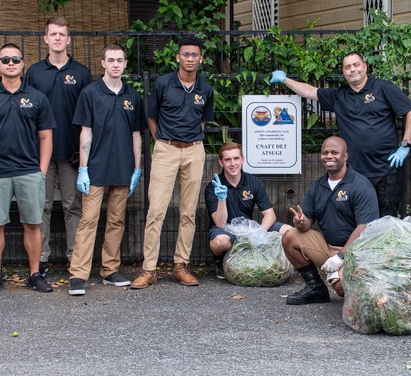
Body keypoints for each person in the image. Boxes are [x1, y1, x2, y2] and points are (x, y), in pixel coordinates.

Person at [270, 52, 411, 217]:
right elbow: (309, 92)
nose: (352, 70)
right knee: (360, 218)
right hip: (356, 173)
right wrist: (285, 79)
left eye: (356, 65)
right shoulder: (339, 96)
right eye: (348, 67)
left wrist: (405, 146)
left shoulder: (383, 88)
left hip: (388, 170)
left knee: (387, 219)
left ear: (365, 67)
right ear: (343, 72)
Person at [0, 44, 57, 295]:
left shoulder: (38, 97)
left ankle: (34, 274)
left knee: (33, 223)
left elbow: (46, 138)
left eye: (15, 59)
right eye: (5, 59)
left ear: (22, 64)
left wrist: (40, 171)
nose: (10, 63)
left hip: (29, 170)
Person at [132, 35, 215, 289]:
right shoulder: (163, 84)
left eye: (194, 55)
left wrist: (189, 143)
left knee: (188, 212)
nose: (190, 59)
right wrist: (162, 142)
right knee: (156, 211)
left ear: (200, 59)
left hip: (194, 151)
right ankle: (148, 269)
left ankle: (181, 265)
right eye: (185, 54)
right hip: (166, 149)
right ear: (177, 57)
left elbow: (203, 121)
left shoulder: (205, 88)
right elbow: (151, 117)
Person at [67, 45, 144, 295]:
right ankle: (78, 274)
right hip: (95, 168)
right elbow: (85, 132)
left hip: (123, 168)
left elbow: (136, 135)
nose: (115, 64)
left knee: (116, 220)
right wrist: (83, 168)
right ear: (102, 63)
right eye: (111, 60)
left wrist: (137, 168)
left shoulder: (132, 96)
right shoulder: (90, 93)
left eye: (120, 60)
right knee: (88, 220)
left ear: (124, 64)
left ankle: (110, 269)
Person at [24, 17, 92, 275]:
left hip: (71, 152)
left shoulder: (82, 73)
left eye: (62, 34)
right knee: (40, 206)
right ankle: (41, 259)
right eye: (53, 34)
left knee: (72, 206)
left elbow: (88, 115)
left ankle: (75, 258)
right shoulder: (34, 72)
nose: (57, 38)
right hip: (40, 152)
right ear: (46, 39)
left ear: (68, 39)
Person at [281, 137, 379, 305]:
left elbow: (365, 227)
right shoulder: (317, 186)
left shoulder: (360, 185)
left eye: (334, 153)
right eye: (325, 153)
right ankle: (315, 288)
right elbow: (307, 222)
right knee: (290, 236)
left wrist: (341, 256)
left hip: (355, 251)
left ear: (345, 156)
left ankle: (365, 286)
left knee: (341, 288)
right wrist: (301, 222)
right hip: (327, 247)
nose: (329, 156)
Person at [205, 142, 291, 279]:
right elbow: (220, 223)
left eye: (236, 158)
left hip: (248, 228)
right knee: (219, 241)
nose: (233, 164)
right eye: (228, 160)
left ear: (242, 160)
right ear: (221, 162)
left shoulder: (253, 182)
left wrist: (260, 231)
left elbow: (269, 214)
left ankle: (286, 263)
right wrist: (222, 198)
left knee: (289, 231)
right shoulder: (213, 187)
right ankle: (220, 261)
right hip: (225, 231)